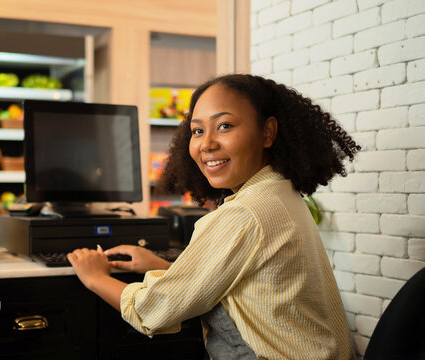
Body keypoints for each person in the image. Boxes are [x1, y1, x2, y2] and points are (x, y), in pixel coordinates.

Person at [67, 74, 360, 359]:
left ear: (268, 132)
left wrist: (94, 277)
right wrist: (163, 266)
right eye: (197, 130)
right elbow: (244, 285)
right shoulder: (280, 195)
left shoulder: (243, 214)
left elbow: (153, 310)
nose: (207, 143)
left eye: (224, 126)